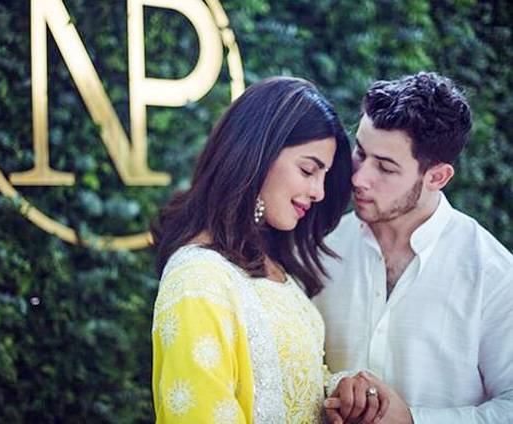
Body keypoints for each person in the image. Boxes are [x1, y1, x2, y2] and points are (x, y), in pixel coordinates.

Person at [151, 77, 389, 423]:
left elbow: (291, 384)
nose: (319, 191)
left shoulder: (271, 262)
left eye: (323, 175)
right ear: (257, 155)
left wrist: (337, 393)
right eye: (308, 170)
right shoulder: (197, 278)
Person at [315, 71, 513, 423]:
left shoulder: (494, 275)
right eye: (361, 152)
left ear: (437, 177)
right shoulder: (322, 250)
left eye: (385, 167)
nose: (359, 178)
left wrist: (412, 420)